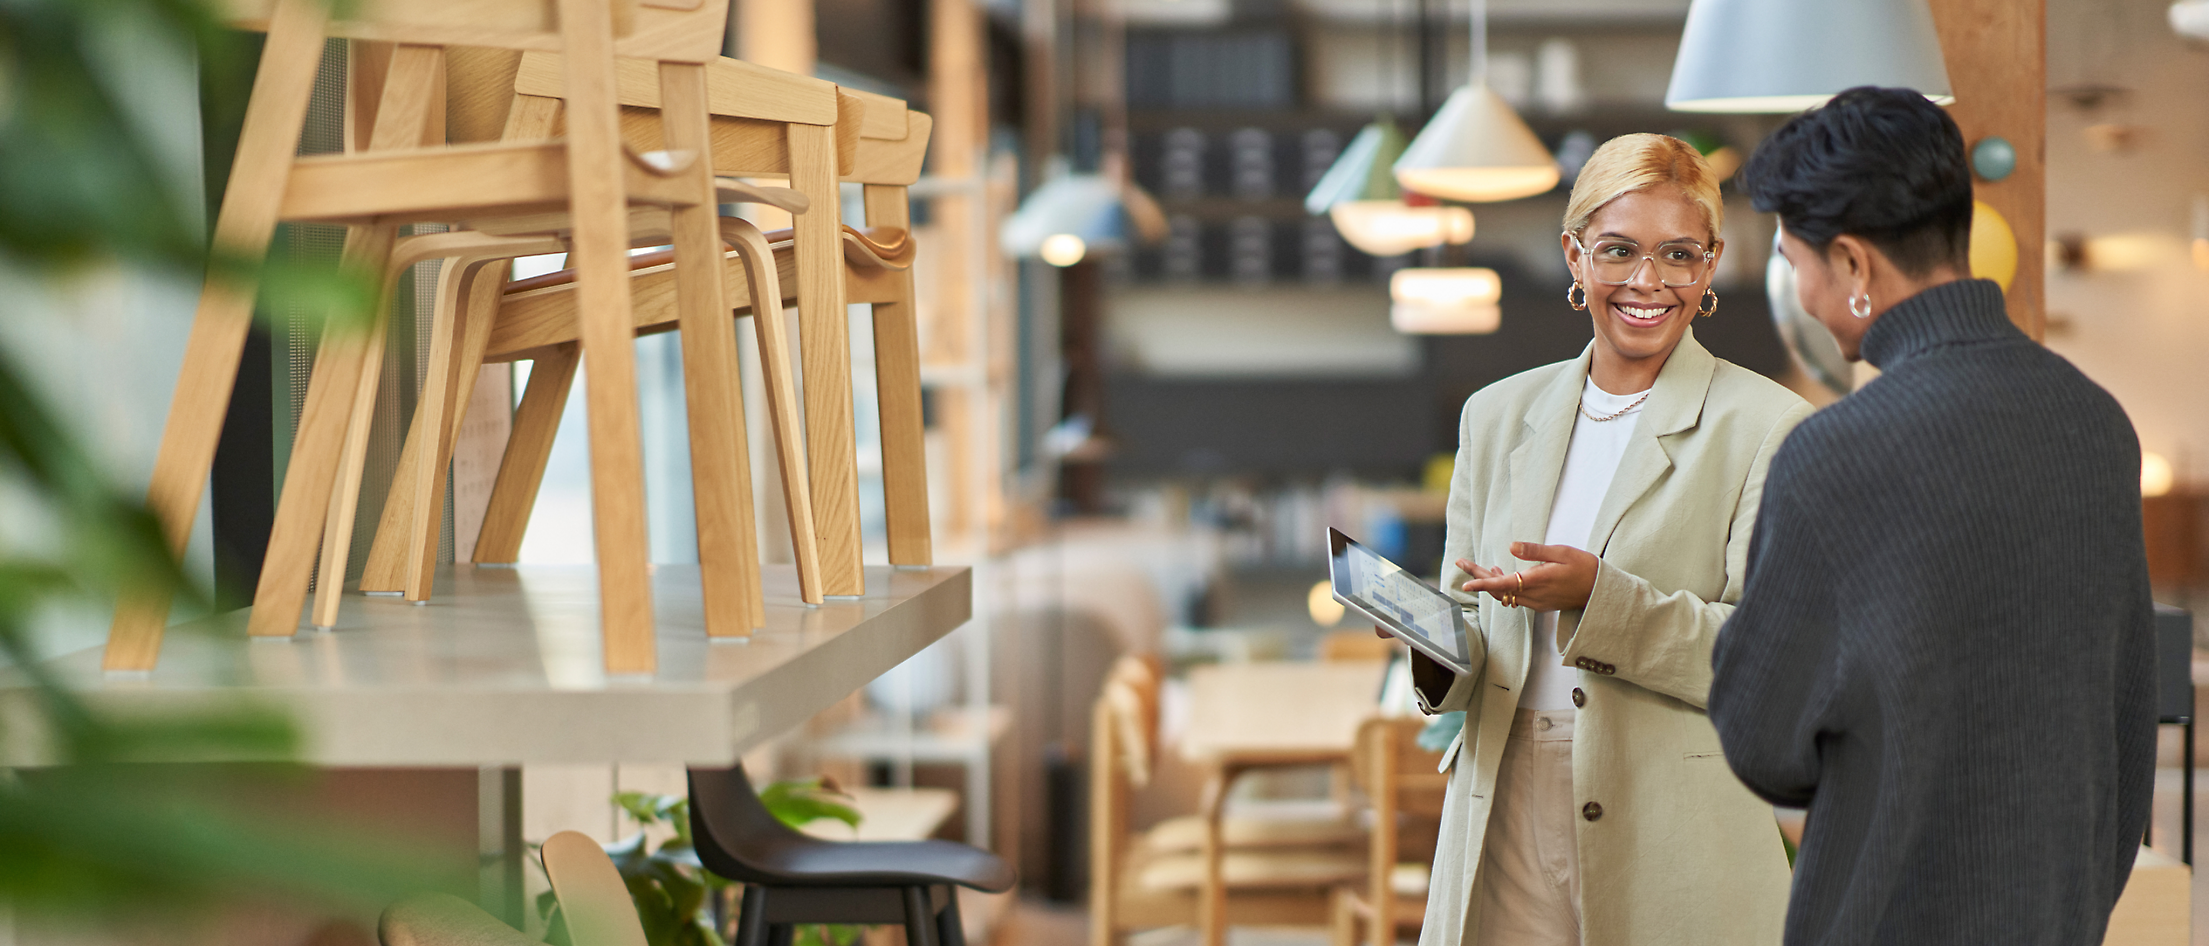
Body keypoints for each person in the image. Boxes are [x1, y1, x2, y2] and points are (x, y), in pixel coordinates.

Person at [1710, 86, 2157, 945]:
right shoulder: (2095, 422)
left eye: (1792, 262)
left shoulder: (1832, 454)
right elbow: (2125, 718)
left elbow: (1763, 742)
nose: (1797, 292)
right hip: (2057, 919)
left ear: (1850, 265)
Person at [1409, 133, 1810, 946]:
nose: (1647, 281)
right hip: (1502, 797)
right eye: (1618, 251)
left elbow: (1770, 659)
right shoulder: (1493, 416)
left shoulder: (1768, 426)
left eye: (1677, 255)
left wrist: (1598, 600)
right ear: (1573, 255)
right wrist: (1423, 637)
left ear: (1709, 267)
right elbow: (1466, 633)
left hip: (1671, 815)